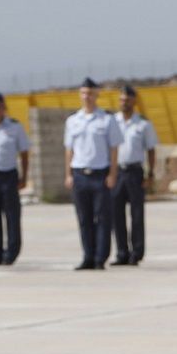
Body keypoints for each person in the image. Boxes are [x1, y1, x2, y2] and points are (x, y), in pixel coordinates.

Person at [64, 77, 121, 270]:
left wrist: (113, 174)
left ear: (97, 95)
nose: (86, 97)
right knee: (84, 218)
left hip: (100, 174)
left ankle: (100, 258)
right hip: (80, 173)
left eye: (90, 93)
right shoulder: (73, 121)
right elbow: (69, 150)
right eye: (83, 93)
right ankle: (87, 255)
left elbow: (114, 149)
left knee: (103, 218)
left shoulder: (107, 119)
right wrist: (69, 174)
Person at [111, 85, 157, 266]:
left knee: (136, 214)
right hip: (117, 171)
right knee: (116, 214)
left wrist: (150, 173)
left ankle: (136, 252)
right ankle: (122, 252)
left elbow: (151, 150)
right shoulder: (112, 122)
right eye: (121, 99)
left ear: (134, 101)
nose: (124, 102)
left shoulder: (143, 124)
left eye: (127, 99)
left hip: (134, 172)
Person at [0, 92, 29, 265]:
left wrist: (24, 176)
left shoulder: (15, 127)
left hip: (9, 176)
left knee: (12, 216)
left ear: (4, 108)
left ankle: (12, 252)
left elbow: (24, 153)